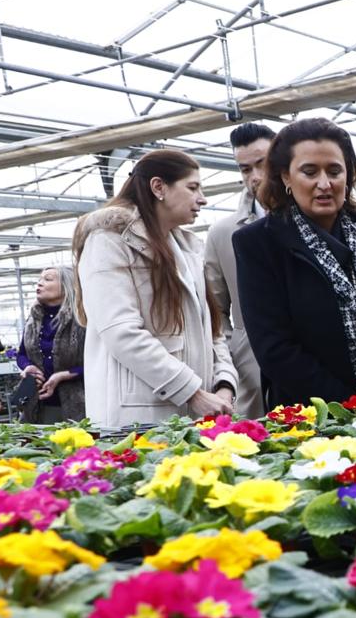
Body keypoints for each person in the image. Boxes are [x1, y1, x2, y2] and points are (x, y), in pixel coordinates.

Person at [233, 118, 356, 408]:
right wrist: (351, 407)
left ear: (349, 175)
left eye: (335, 171)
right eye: (309, 172)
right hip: (312, 417)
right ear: (285, 177)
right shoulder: (259, 243)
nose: (325, 183)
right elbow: (275, 348)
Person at [74, 150, 237, 428]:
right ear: (159, 187)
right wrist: (193, 392)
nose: (203, 198)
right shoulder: (109, 240)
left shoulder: (186, 247)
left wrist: (224, 383)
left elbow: (213, 328)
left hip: (194, 412)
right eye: (193, 187)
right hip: (140, 417)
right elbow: (121, 331)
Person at [204, 122, 274, 418]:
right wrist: (236, 352)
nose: (255, 177)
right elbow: (215, 308)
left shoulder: (316, 218)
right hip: (253, 370)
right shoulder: (223, 233)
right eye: (246, 169)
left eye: (263, 164)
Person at [16, 266, 86, 423]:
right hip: (34, 401)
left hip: (75, 403)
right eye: (39, 279)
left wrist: (65, 375)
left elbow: (96, 362)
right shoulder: (34, 319)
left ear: (67, 286)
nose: (40, 283)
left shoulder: (81, 320)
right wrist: (27, 367)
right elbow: (21, 354)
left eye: (47, 279)